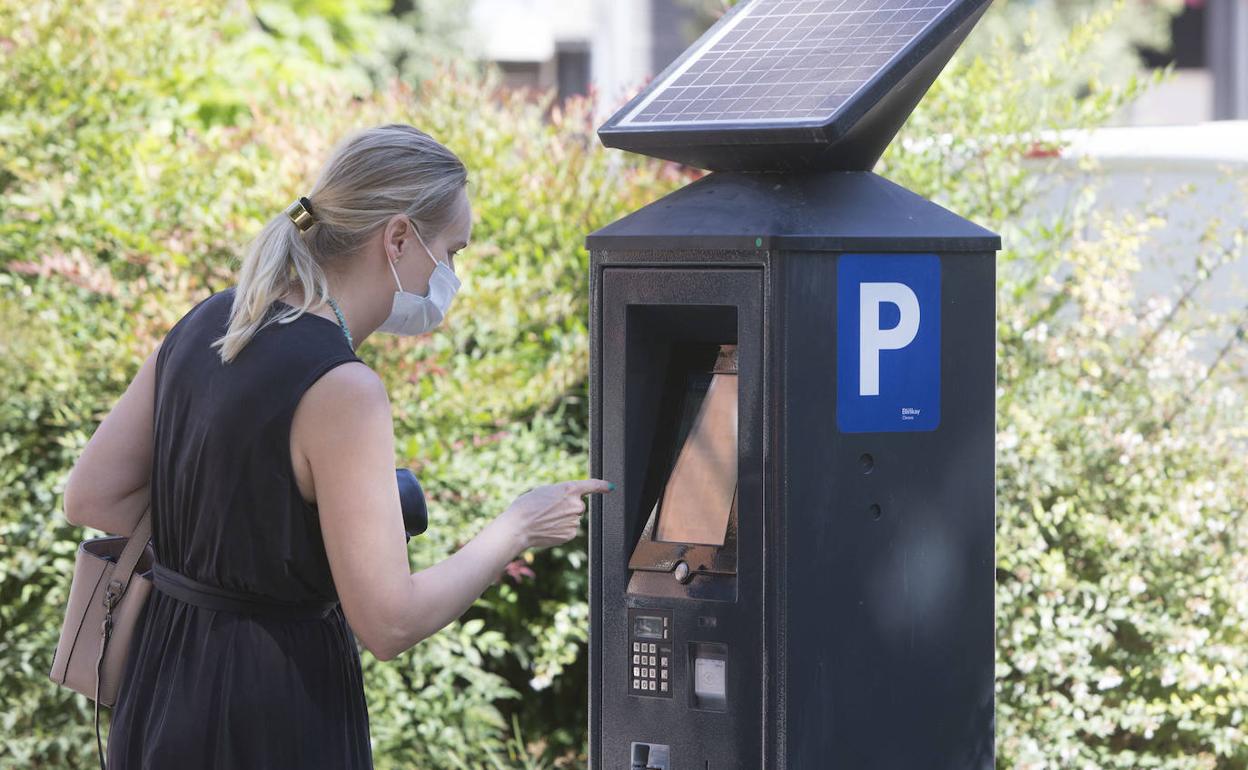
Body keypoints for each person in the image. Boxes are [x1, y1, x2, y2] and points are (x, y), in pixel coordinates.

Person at [60, 123, 614, 768]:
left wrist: (240, 543)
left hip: (159, 684)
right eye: (452, 252)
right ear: (399, 237)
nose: (452, 274)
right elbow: (389, 622)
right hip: (269, 702)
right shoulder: (344, 388)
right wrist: (517, 527)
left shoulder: (215, 318)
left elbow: (91, 495)